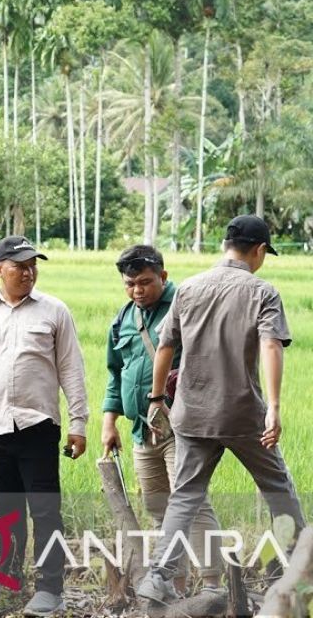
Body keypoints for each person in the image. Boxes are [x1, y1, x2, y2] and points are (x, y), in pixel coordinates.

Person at [136, 216, 306, 605]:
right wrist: (274, 408)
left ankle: (158, 577)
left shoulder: (190, 287)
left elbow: (165, 347)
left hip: (192, 413)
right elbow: (271, 345)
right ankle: (302, 566)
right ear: (259, 250)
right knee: (277, 487)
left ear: (226, 245)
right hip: (244, 415)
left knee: (185, 496)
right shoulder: (262, 291)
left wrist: (157, 399)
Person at [0, 235, 88, 617]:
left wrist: (78, 422)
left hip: (38, 427)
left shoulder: (54, 311)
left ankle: (51, 589)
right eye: (20, 266)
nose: (29, 272)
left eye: (34, 265)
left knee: (46, 511)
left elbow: (72, 369)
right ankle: (8, 585)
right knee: (7, 512)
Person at [100, 245, 222, 592]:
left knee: (193, 505)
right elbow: (115, 373)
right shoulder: (125, 318)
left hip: (182, 428)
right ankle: (175, 586)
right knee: (159, 510)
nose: (137, 290)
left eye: (145, 282)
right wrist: (110, 422)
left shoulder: (187, 305)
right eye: (130, 284)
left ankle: (213, 585)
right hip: (142, 430)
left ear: (163, 277)